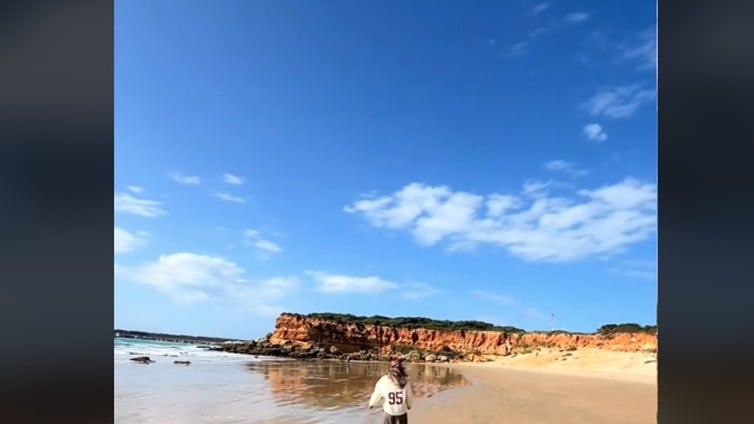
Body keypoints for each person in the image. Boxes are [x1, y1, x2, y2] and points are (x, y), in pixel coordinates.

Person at [368, 356, 414, 424]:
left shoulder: (384, 380)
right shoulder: (405, 381)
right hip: (401, 413)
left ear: (389, 368)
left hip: (388, 413)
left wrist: (372, 403)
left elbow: (377, 394)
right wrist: (409, 405)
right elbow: (409, 395)